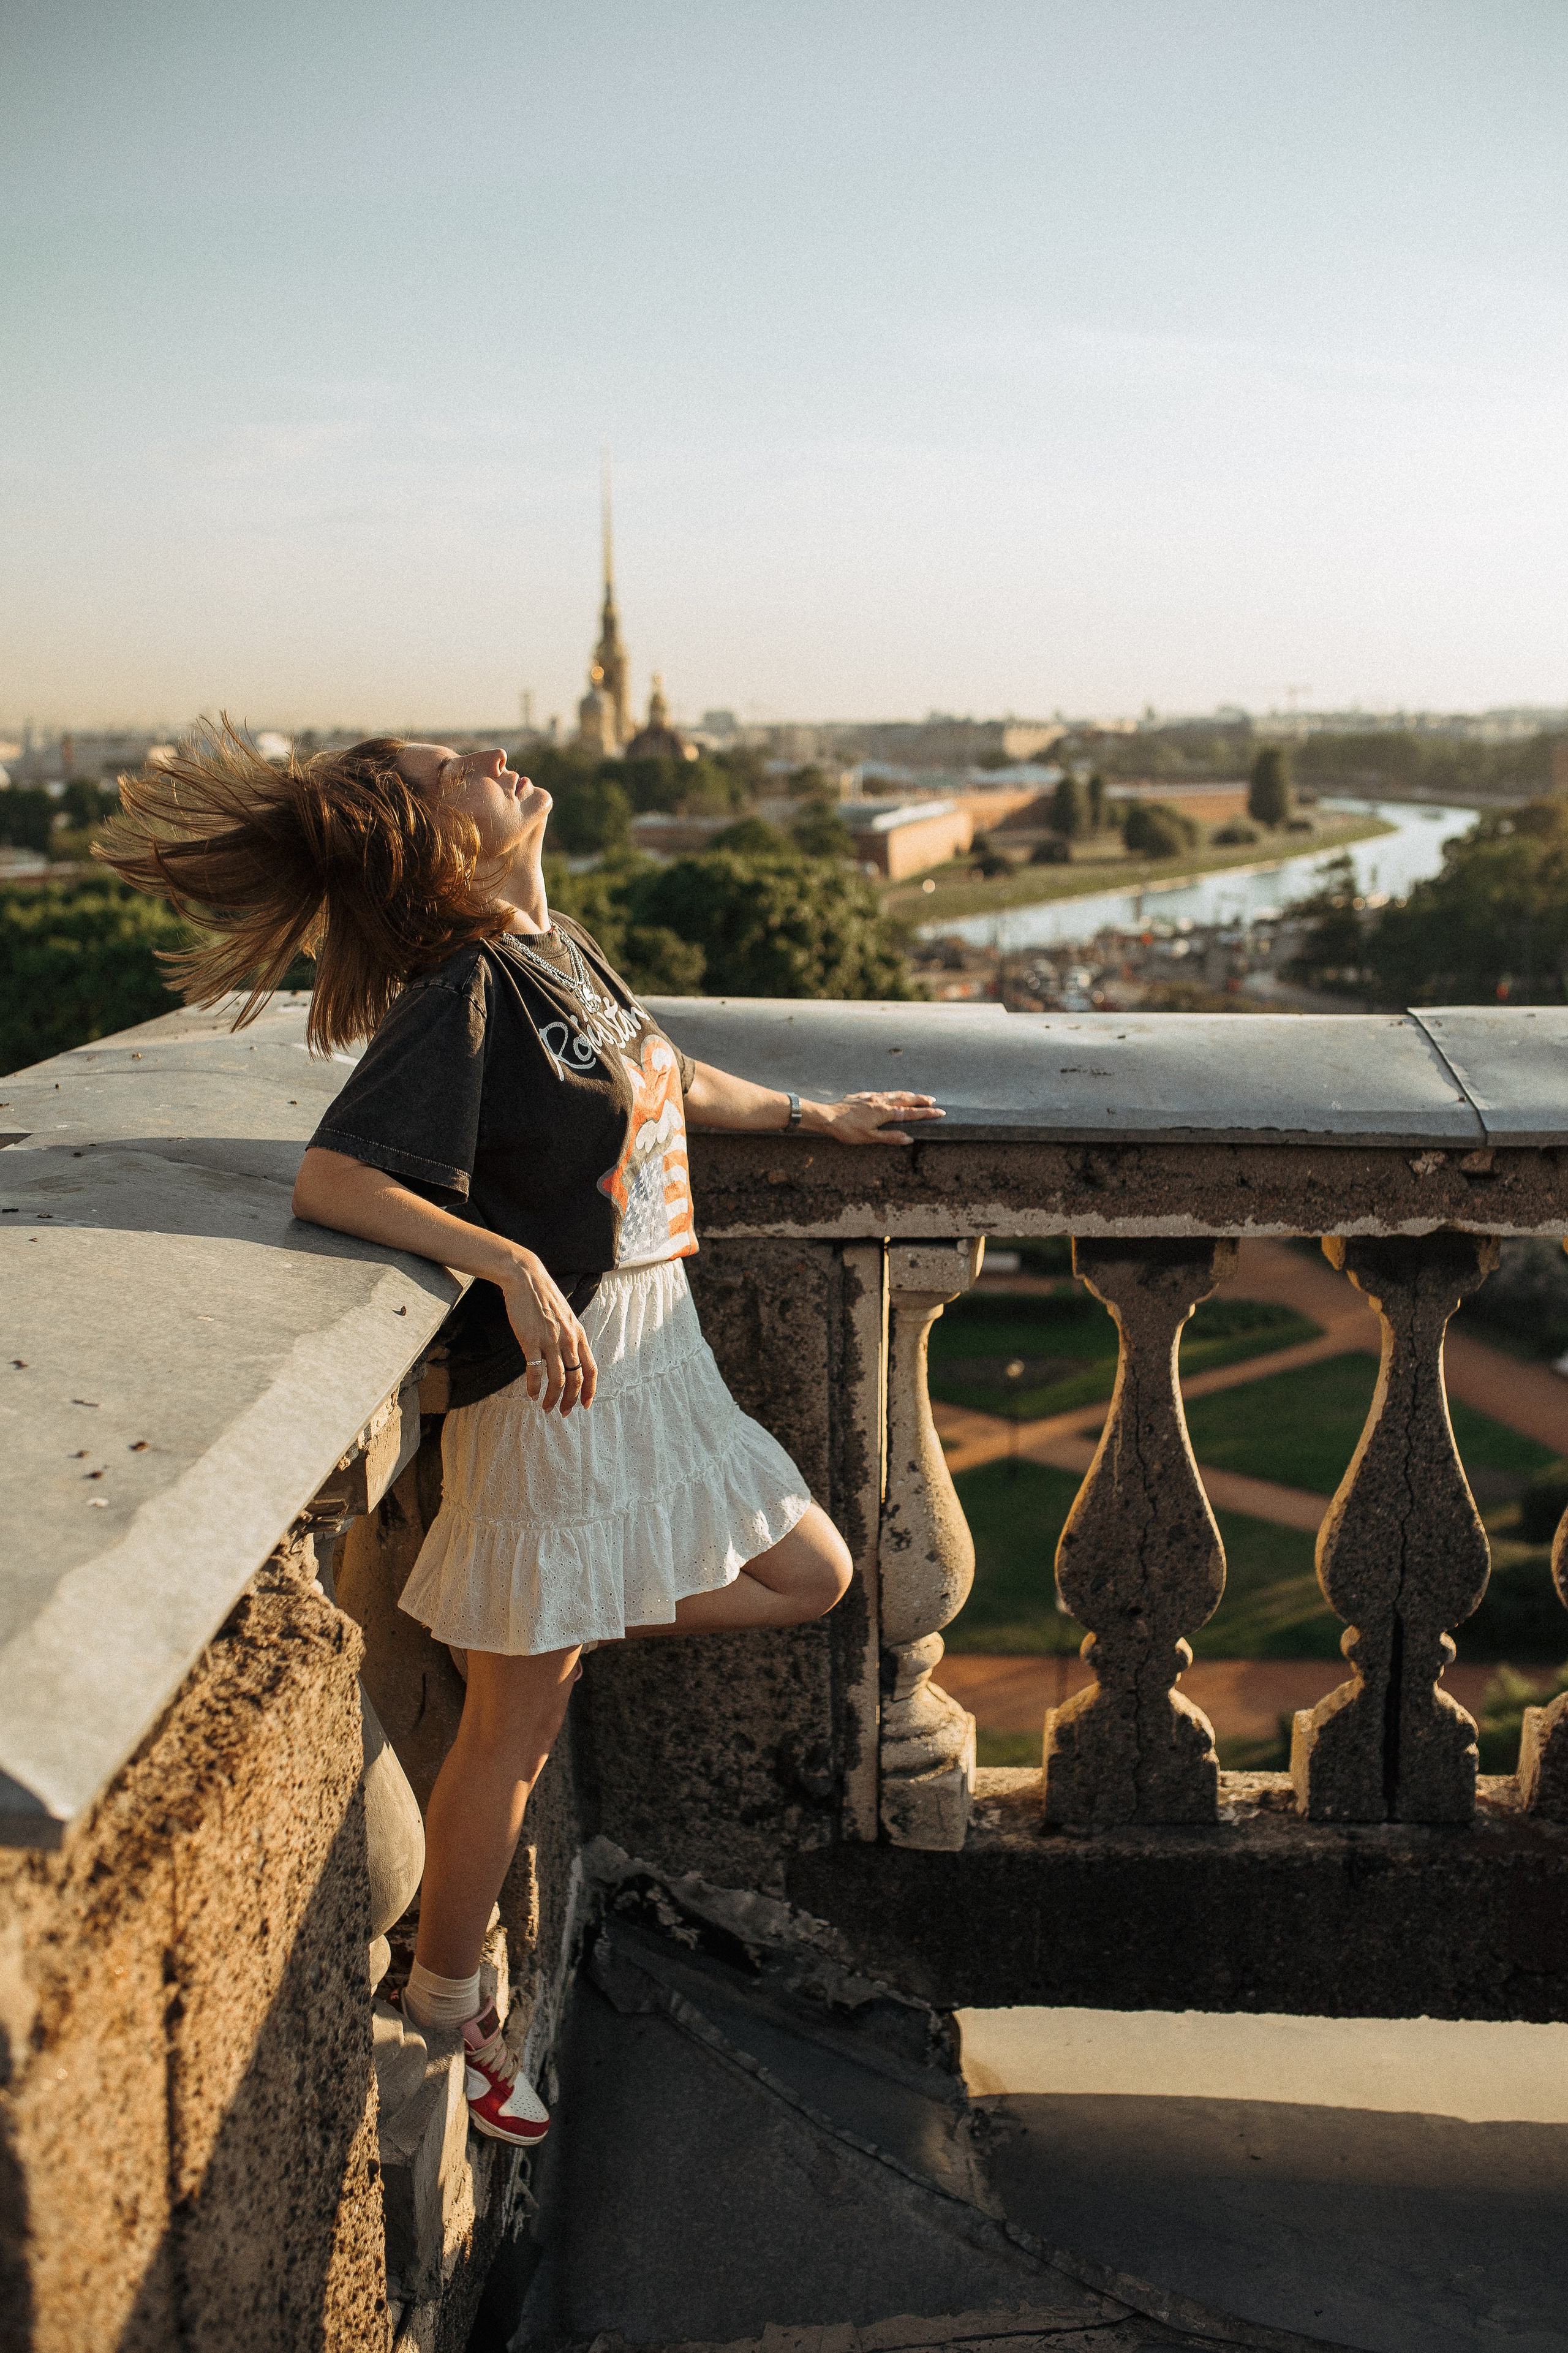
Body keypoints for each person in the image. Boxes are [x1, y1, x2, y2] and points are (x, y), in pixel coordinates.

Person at [100, 722, 943, 2148]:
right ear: (437, 838)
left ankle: (545, 1624)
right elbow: (336, 1175)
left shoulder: (565, 950)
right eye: (454, 766)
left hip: (656, 1361)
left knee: (813, 1573)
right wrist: (506, 1261)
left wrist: (818, 1113)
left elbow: (669, 1077)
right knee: (513, 1737)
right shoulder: (466, 988)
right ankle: (447, 2013)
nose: (494, 752)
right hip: (560, 1399)